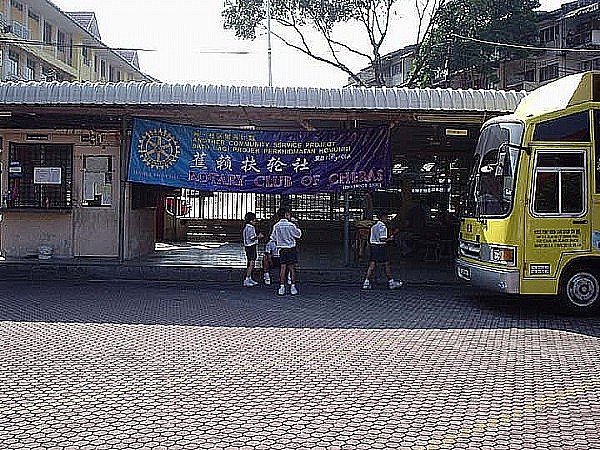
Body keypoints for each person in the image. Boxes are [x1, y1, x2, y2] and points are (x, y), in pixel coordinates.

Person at [362, 211, 403, 290]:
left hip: (373, 246)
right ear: (383, 217)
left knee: (372, 265)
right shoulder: (383, 227)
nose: (387, 219)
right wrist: (390, 239)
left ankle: (366, 282)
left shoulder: (374, 226)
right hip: (381, 247)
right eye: (387, 217)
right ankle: (391, 282)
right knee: (386, 264)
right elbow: (382, 239)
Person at [270, 206, 302, 296]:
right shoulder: (291, 225)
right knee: (292, 268)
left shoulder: (276, 226)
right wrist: (296, 223)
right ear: (286, 214)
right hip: (291, 248)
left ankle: (281, 287)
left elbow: (273, 238)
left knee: (282, 268)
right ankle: (293, 287)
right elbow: (298, 234)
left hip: (282, 249)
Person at [242, 212, 263, 287]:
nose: (255, 222)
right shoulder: (251, 228)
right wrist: (258, 237)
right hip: (251, 246)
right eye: (254, 220)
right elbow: (251, 238)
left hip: (247, 246)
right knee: (252, 263)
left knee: (249, 262)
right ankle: (247, 278)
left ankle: (249, 277)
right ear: (251, 221)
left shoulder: (246, 227)